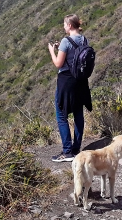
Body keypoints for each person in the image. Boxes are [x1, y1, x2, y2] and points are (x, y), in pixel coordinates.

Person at [48, 14, 92, 162]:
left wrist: (51, 51)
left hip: (66, 82)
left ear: (70, 26)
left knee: (61, 115)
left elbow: (58, 64)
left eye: (65, 24)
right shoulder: (84, 39)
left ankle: (67, 152)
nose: (64, 27)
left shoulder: (66, 41)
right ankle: (76, 148)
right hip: (81, 81)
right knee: (78, 114)